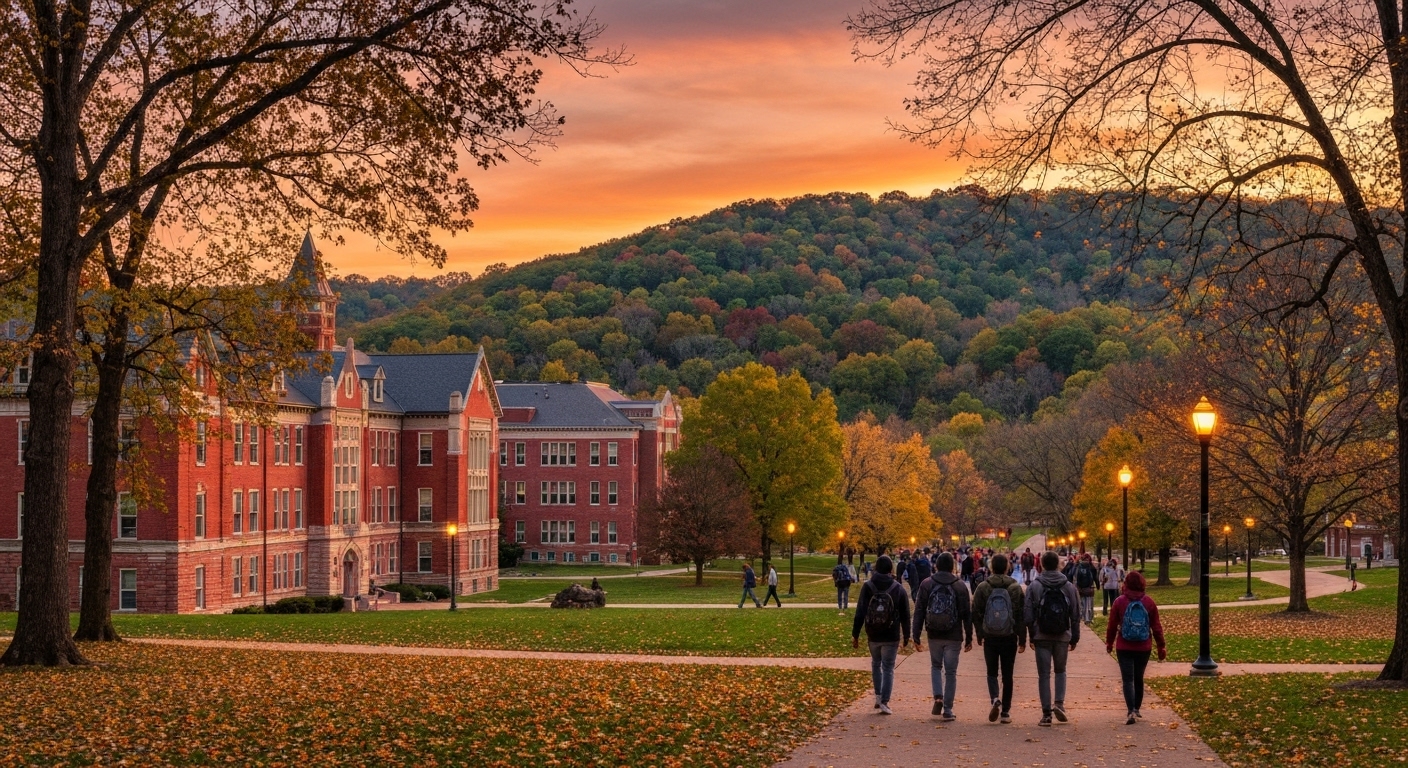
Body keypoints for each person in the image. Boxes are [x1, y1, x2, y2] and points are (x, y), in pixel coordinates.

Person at [912, 552, 973, 721]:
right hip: (953, 634)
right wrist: (969, 636)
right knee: (951, 672)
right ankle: (948, 708)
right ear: (952, 566)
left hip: (934, 632)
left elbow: (919, 611)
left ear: (936, 565)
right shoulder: (960, 586)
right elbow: (966, 614)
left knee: (936, 666)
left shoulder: (927, 584)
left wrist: (915, 634)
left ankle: (938, 696)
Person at [1025, 551, 1081, 727]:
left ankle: (1046, 713)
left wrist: (1031, 634)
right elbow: (1075, 613)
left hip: (1041, 634)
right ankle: (1059, 703)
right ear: (1058, 564)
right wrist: (1075, 637)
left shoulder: (1035, 586)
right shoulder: (1068, 586)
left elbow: (1028, 614)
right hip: (1062, 634)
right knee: (1060, 671)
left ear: (1041, 564)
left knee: (1043, 674)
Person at [852, 555, 912, 715]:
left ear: (876, 568)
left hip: (873, 633)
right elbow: (906, 614)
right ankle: (885, 701)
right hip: (891, 634)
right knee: (888, 668)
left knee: (875, 664)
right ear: (891, 569)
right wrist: (907, 635)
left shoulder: (868, 587)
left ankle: (878, 697)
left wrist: (855, 634)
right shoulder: (898, 588)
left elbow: (860, 611)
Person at [1105, 570, 1167, 724]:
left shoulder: (1119, 602)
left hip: (1124, 645)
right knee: (1138, 678)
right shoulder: (1149, 602)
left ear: (1126, 584)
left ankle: (1130, 710)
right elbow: (1156, 627)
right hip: (1143, 646)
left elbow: (1112, 625)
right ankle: (1137, 709)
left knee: (1127, 679)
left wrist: (1109, 642)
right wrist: (1161, 646)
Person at [972, 553, 1026, 724]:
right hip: (1009, 635)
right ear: (1007, 567)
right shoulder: (1015, 587)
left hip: (990, 635)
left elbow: (975, 612)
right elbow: (1021, 614)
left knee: (991, 672)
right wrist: (1022, 638)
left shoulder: (983, 587)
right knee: (1008, 674)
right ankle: (1006, 712)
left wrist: (979, 633)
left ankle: (995, 697)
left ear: (991, 567)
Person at [1074, 554, 1098, 624]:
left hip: (1081, 588)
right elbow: (1094, 577)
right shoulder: (1091, 567)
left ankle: (1082, 617)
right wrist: (1097, 585)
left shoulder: (1078, 567)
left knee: (1081, 604)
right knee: (1089, 604)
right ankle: (1088, 618)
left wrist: (1078, 587)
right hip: (1089, 589)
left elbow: (1076, 577)